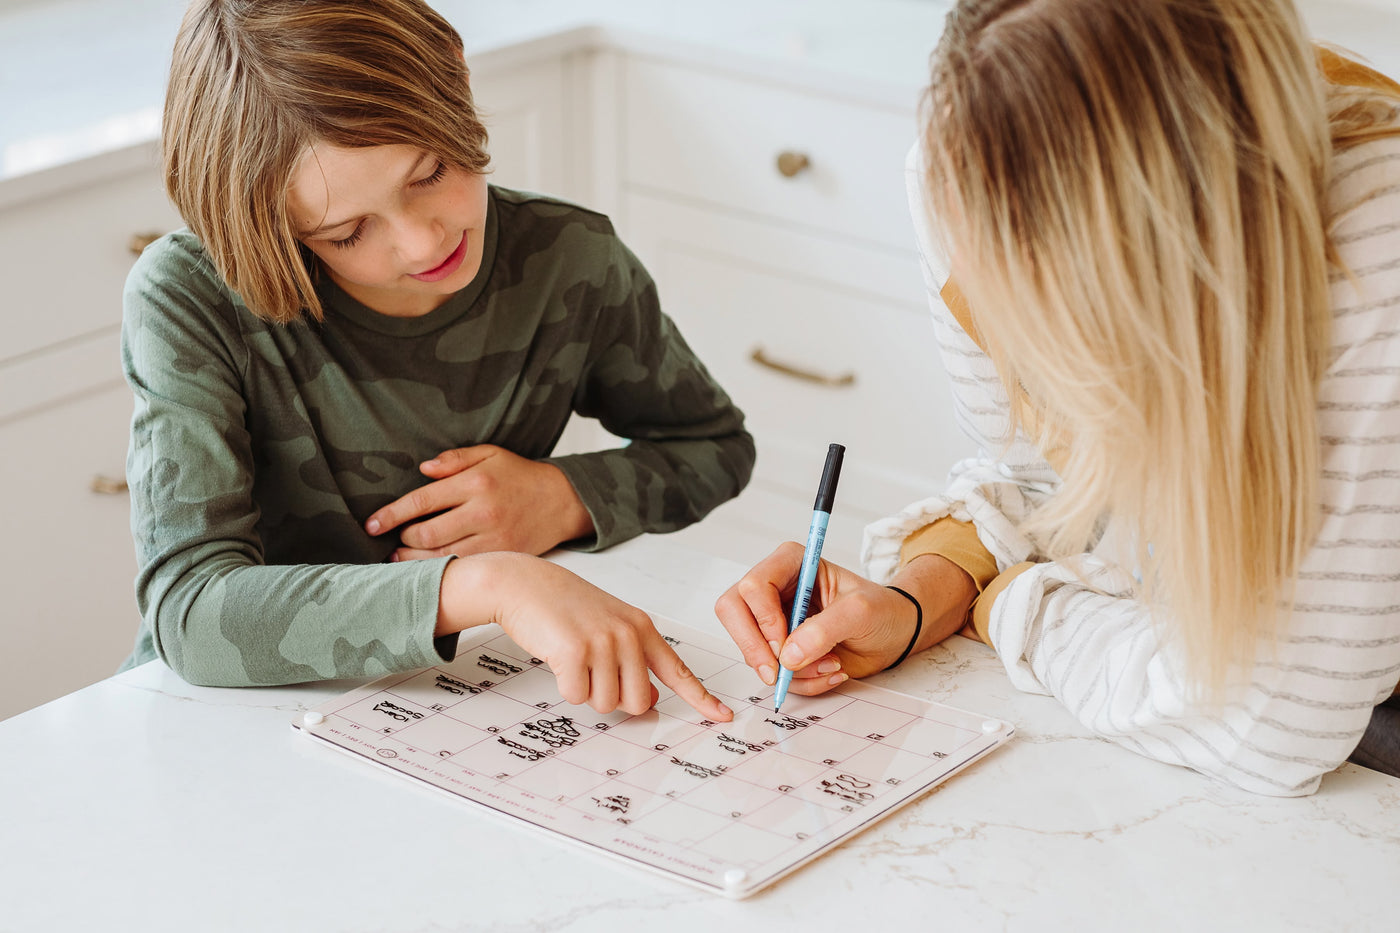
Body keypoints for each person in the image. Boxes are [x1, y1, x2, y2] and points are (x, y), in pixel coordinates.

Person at [716, 0, 1400, 795]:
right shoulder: (961, 174)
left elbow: (1271, 726)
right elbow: (1043, 482)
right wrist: (914, 601)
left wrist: (1014, 610)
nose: (969, 278)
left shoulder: (1375, 251)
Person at [119, 0, 755, 723]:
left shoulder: (573, 261)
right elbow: (192, 612)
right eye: (349, 232)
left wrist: (560, 498)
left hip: (459, 706)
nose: (422, 243)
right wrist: (490, 584)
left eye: (430, 172)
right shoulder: (191, 297)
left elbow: (714, 446)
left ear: (454, 80)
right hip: (220, 721)